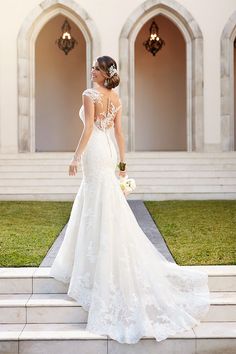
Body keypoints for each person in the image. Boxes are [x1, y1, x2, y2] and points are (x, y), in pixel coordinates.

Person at [49, 55, 210, 344]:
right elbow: (120, 133)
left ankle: (90, 266)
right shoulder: (115, 97)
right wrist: (123, 164)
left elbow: (87, 129)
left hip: (95, 151)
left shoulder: (90, 94)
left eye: (95, 68)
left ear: (102, 72)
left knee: (95, 204)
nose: (91, 71)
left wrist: (75, 157)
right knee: (102, 204)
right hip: (108, 151)